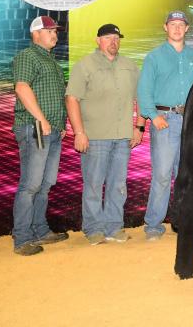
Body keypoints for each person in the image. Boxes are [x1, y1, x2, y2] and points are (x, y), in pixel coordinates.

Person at [66, 24, 145, 245]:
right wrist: (79, 132)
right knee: (93, 184)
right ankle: (94, 229)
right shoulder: (84, 65)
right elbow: (72, 99)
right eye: (108, 38)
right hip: (94, 136)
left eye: (117, 38)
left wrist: (139, 127)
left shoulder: (129, 66)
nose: (113, 42)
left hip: (123, 136)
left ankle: (114, 227)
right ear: (98, 40)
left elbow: (142, 97)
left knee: (118, 184)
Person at [137, 10, 193, 241]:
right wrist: (153, 115)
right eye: (172, 24)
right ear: (165, 27)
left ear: (187, 29)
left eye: (181, 24)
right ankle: (153, 225)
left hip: (191, 122)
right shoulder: (154, 57)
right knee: (163, 175)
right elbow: (143, 90)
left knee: (187, 176)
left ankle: (184, 221)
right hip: (164, 119)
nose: (177, 28)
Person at [11, 15, 70, 256]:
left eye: (55, 31)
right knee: (31, 185)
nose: (54, 35)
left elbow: (54, 96)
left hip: (50, 129)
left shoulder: (51, 61)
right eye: (49, 31)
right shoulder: (28, 56)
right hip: (34, 127)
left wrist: (60, 123)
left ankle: (40, 230)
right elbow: (22, 87)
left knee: (45, 184)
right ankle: (22, 238)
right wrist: (42, 119)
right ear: (36, 34)